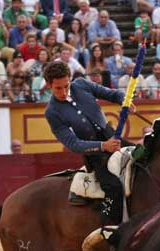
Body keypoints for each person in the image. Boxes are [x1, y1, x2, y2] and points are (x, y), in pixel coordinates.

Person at [43, 61, 135, 226]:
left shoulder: (81, 85)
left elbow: (113, 94)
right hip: (96, 156)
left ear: (70, 80)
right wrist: (103, 146)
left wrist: (125, 101)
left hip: (114, 138)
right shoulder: (52, 112)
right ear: (49, 85)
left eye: (66, 86)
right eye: (58, 88)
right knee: (113, 188)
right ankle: (113, 232)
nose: (63, 92)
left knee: (144, 154)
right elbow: (73, 143)